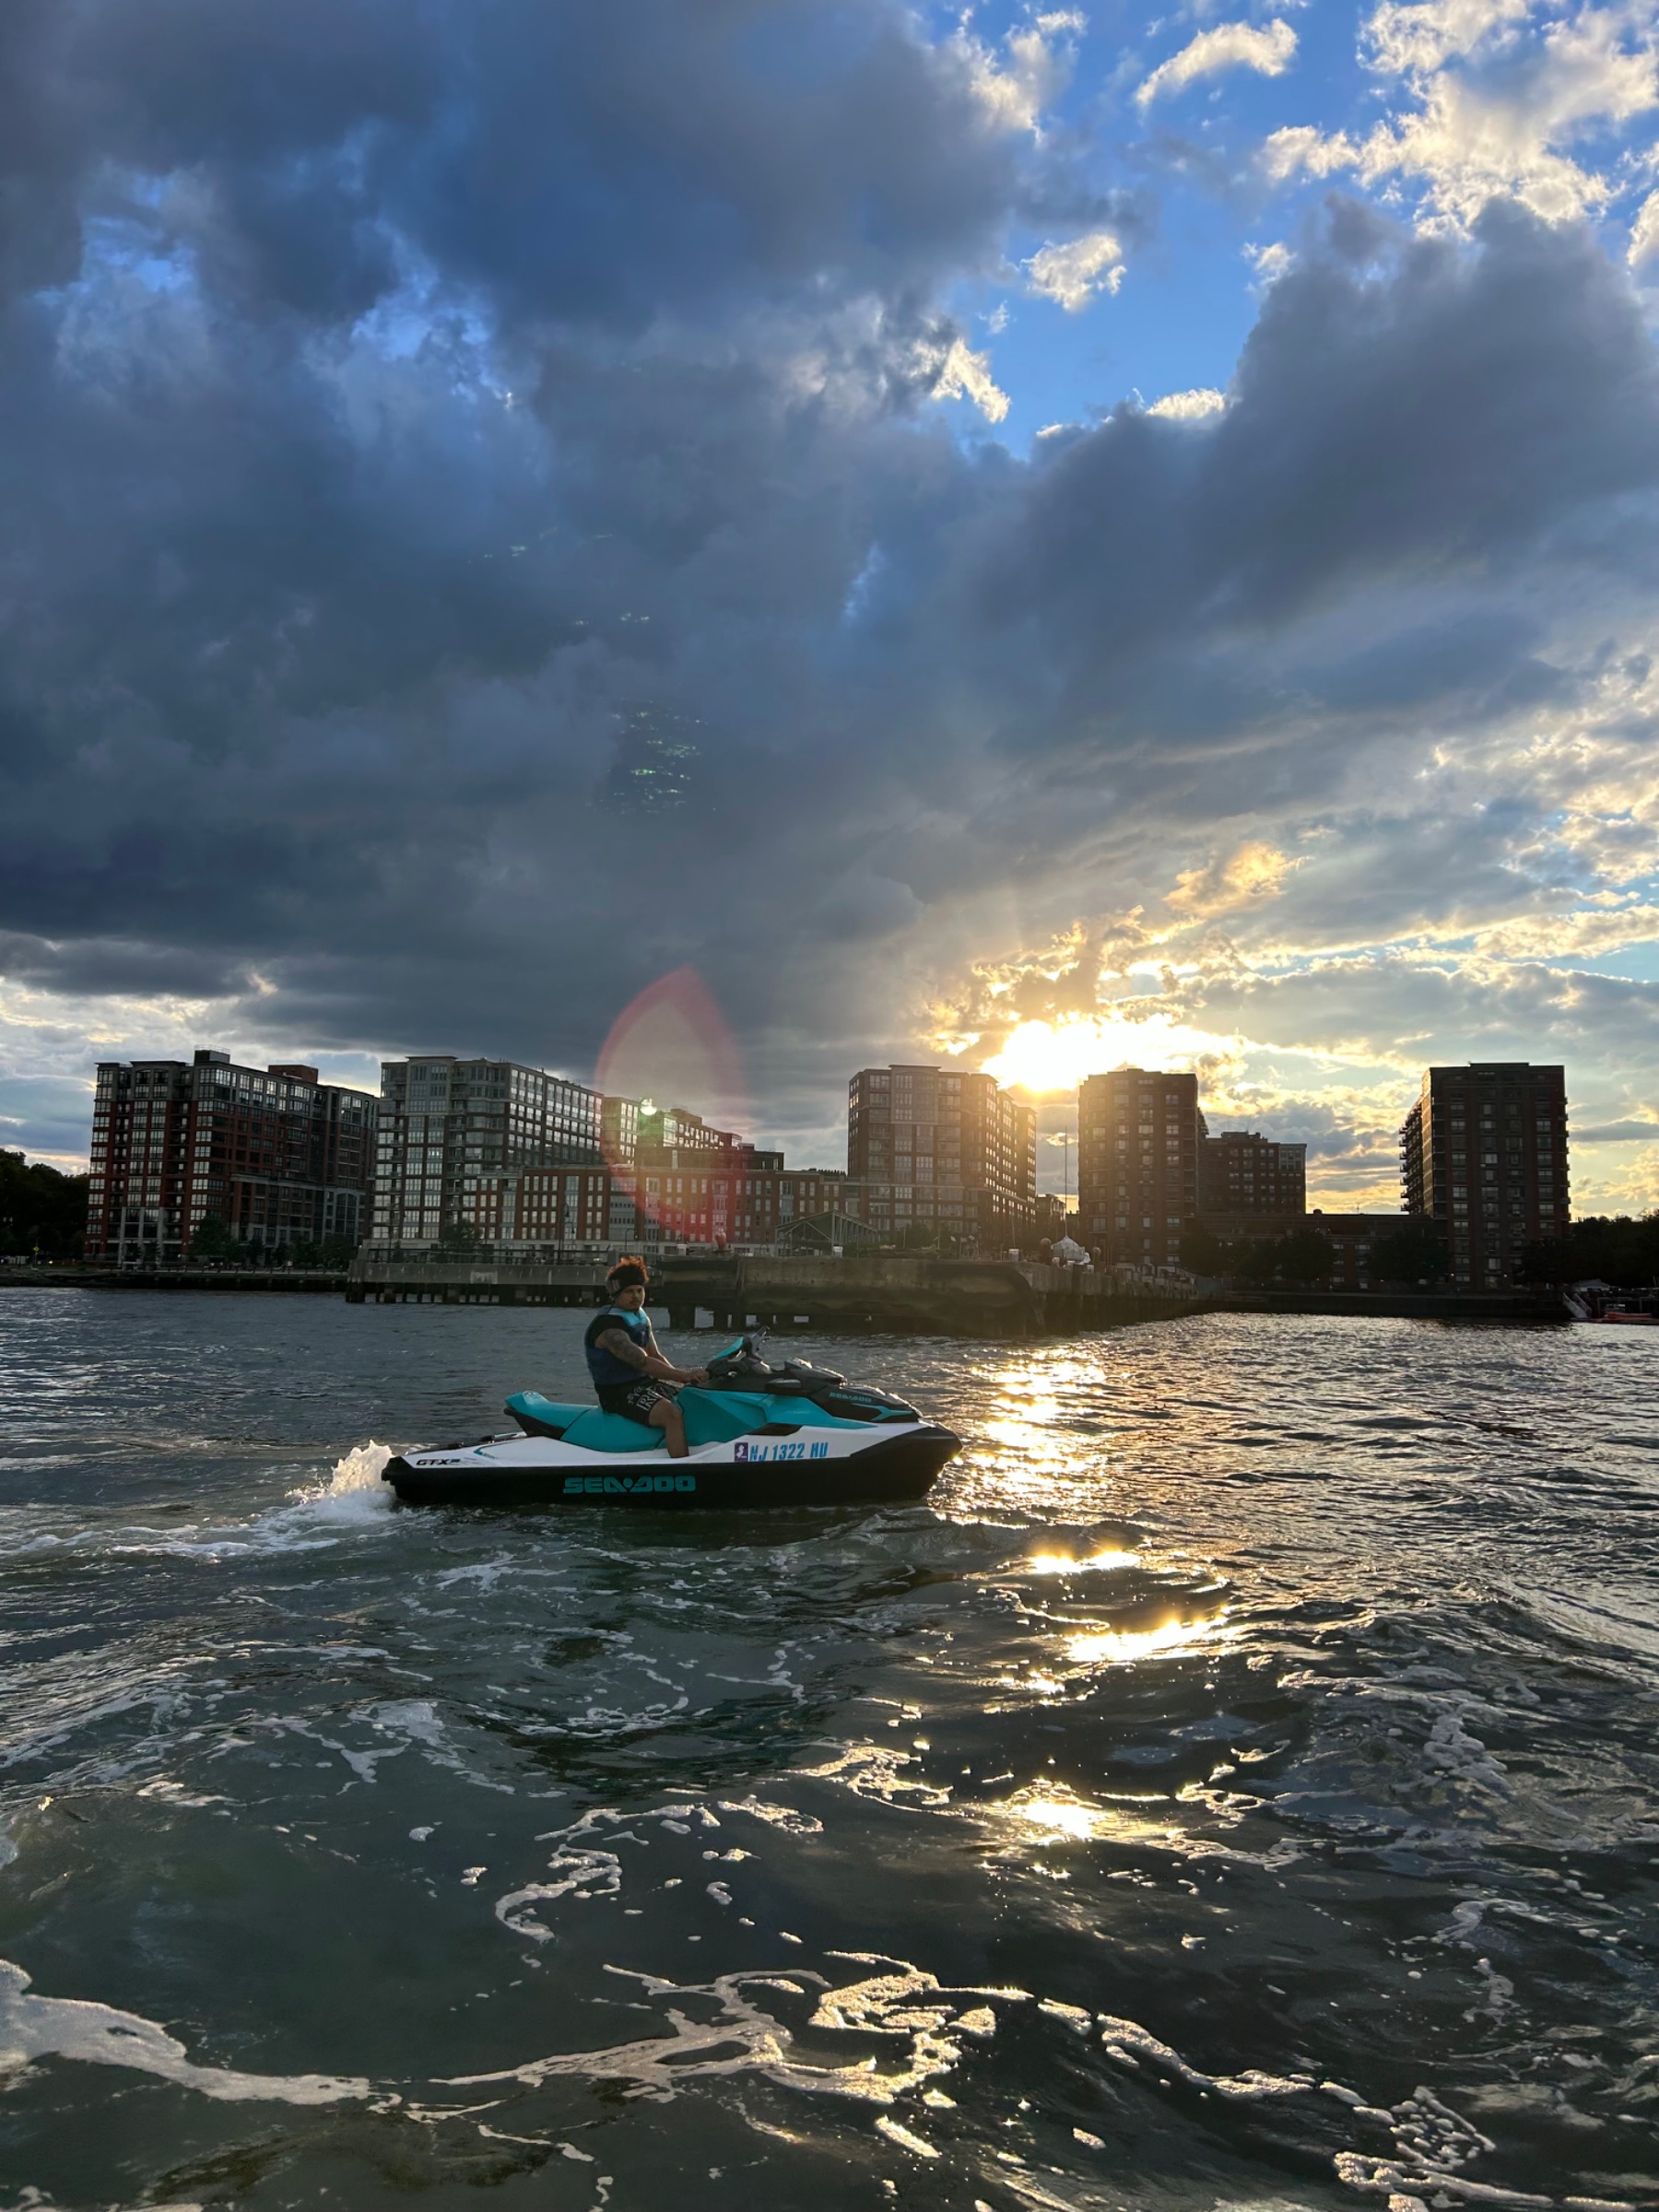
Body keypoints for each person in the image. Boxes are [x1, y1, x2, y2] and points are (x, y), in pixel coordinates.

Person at [582, 1258, 708, 1458]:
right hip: (618, 1394)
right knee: (672, 1415)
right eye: (629, 1292)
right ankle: (683, 1468)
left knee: (693, 1399)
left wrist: (686, 1382)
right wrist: (683, 1375)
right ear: (616, 1295)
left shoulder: (640, 1316)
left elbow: (656, 1355)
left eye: (639, 1290)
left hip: (645, 1384)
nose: (636, 1296)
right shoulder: (609, 1328)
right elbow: (642, 1361)